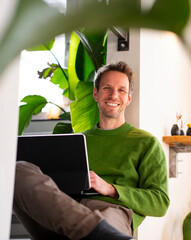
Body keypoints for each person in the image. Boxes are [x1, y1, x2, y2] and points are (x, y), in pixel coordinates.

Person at [13, 61, 170, 240]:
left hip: (111, 212)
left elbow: (160, 202)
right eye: (107, 88)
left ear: (129, 98)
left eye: (121, 90)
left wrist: (111, 189)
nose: (113, 95)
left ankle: (99, 233)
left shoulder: (146, 143)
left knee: (106, 227)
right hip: (65, 211)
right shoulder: (74, 141)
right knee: (19, 170)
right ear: (95, 93)